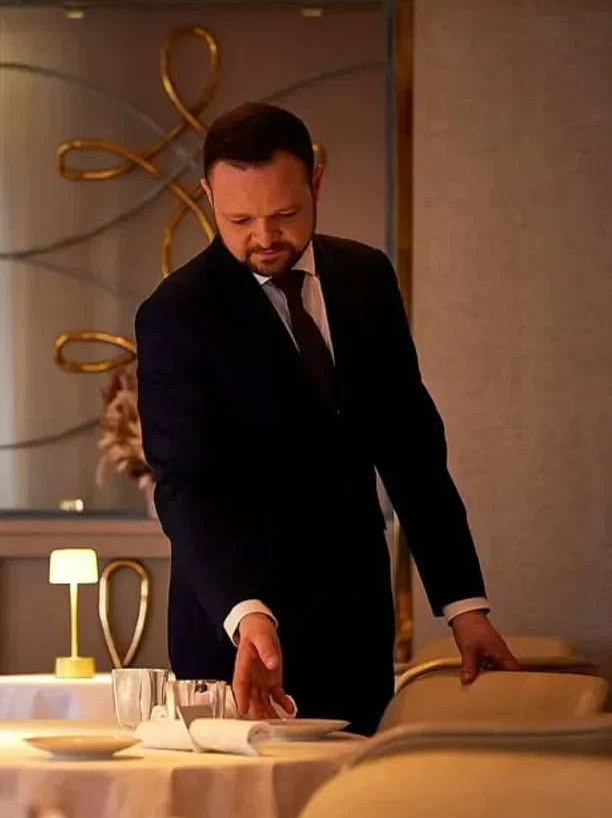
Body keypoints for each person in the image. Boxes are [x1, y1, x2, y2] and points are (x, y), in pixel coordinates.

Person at [134, 103, 518, 734]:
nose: (264, 236)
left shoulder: (365, 279)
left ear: (315, 180)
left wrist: (464, 607)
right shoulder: (178, 315)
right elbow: (186, 488)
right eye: (239, 219)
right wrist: (247, 612)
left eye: (284, 214)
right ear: (207, 195)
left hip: (354, 622)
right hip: (237, 638)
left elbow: (412, 450)